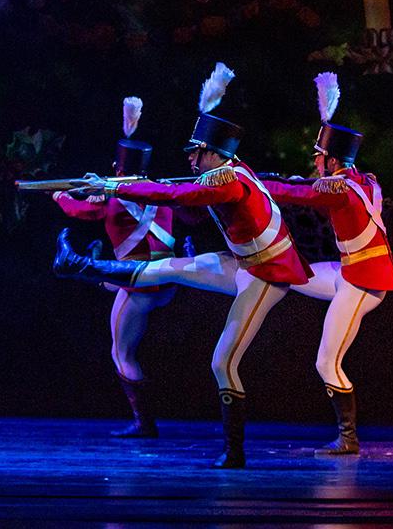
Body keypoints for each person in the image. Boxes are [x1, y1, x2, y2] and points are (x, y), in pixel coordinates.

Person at [53, 63, 311, 468]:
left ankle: (235, 452)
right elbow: (176, 187)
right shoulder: (231, 171)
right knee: (167, 269)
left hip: (267, 274)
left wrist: (110, 186)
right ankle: (79, 265)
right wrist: (110, 184)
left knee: (222, 360)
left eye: (196, 153)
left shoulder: (227, 181)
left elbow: (176, 196)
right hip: (243, 264)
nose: (191, 159)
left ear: (214, 153)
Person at [258, 72, 393, 456]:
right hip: (349, 271)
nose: (315, 164)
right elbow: (310, 184)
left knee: (326, 362)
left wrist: (258, 185)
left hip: (364, 281)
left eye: (319, 158)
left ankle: (348, 436)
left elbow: (302, 194)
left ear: (333, 161)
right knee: (291, 273)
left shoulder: (340, 190)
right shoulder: (360, 179)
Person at [52, 96, 184, 438]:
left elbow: (82, 212)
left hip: (139, 285)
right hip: (168, 281)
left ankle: (145, 423)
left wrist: (62, 197)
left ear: (117, 169)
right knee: (105, 276)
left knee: (121, 352)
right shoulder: (161, 192)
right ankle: (95, 268)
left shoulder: (114, 199)